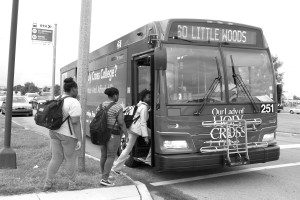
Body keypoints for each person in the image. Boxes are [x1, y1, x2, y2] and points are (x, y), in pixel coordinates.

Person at [43, 77, 82, 191]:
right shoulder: (74, 102)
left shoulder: (57, 98)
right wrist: (79, 139)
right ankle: (72, 184)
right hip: (67, 135)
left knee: (55, 159)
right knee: (70, 159)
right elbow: (75, 123)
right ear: (73, 89)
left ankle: (47, 183)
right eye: (77, 89)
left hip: (54, 132)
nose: (77, 91)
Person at [112, 89, 151, 174]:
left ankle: (116, 167)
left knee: (127, 149)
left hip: (131, 128)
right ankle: (149, 159)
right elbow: (143, 122)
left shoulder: (139, 105)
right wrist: (145, 136)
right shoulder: (144, 107)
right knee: (128, 149)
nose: (150, 98)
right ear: (144, 98)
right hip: (136, 129)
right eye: (149, 97)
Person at [99, 87, 128, 186]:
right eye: (118, 95)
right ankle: (104, 179)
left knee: (104, 155)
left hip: (102, 133)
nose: (118, 97)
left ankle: (103, 175)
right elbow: (121, 122)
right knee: (111, 156)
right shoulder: (118, 107)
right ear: (115, 95)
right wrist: (126, 134)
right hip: (113, 134)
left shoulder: (101, 105)